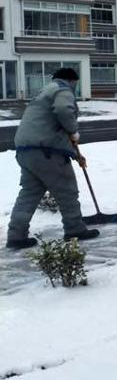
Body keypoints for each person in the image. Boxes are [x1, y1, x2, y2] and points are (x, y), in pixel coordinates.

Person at [6, 68, 100, 249]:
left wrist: (73, 151)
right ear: (72, 81)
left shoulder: (43, 92)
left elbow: (47, 122)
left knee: (29, 194)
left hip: (25, 150)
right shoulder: (62, 90)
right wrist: (73, 130)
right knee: (67, 190)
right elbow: (64, 110)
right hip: (47, 151)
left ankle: (16, 235)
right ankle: (75, 229)